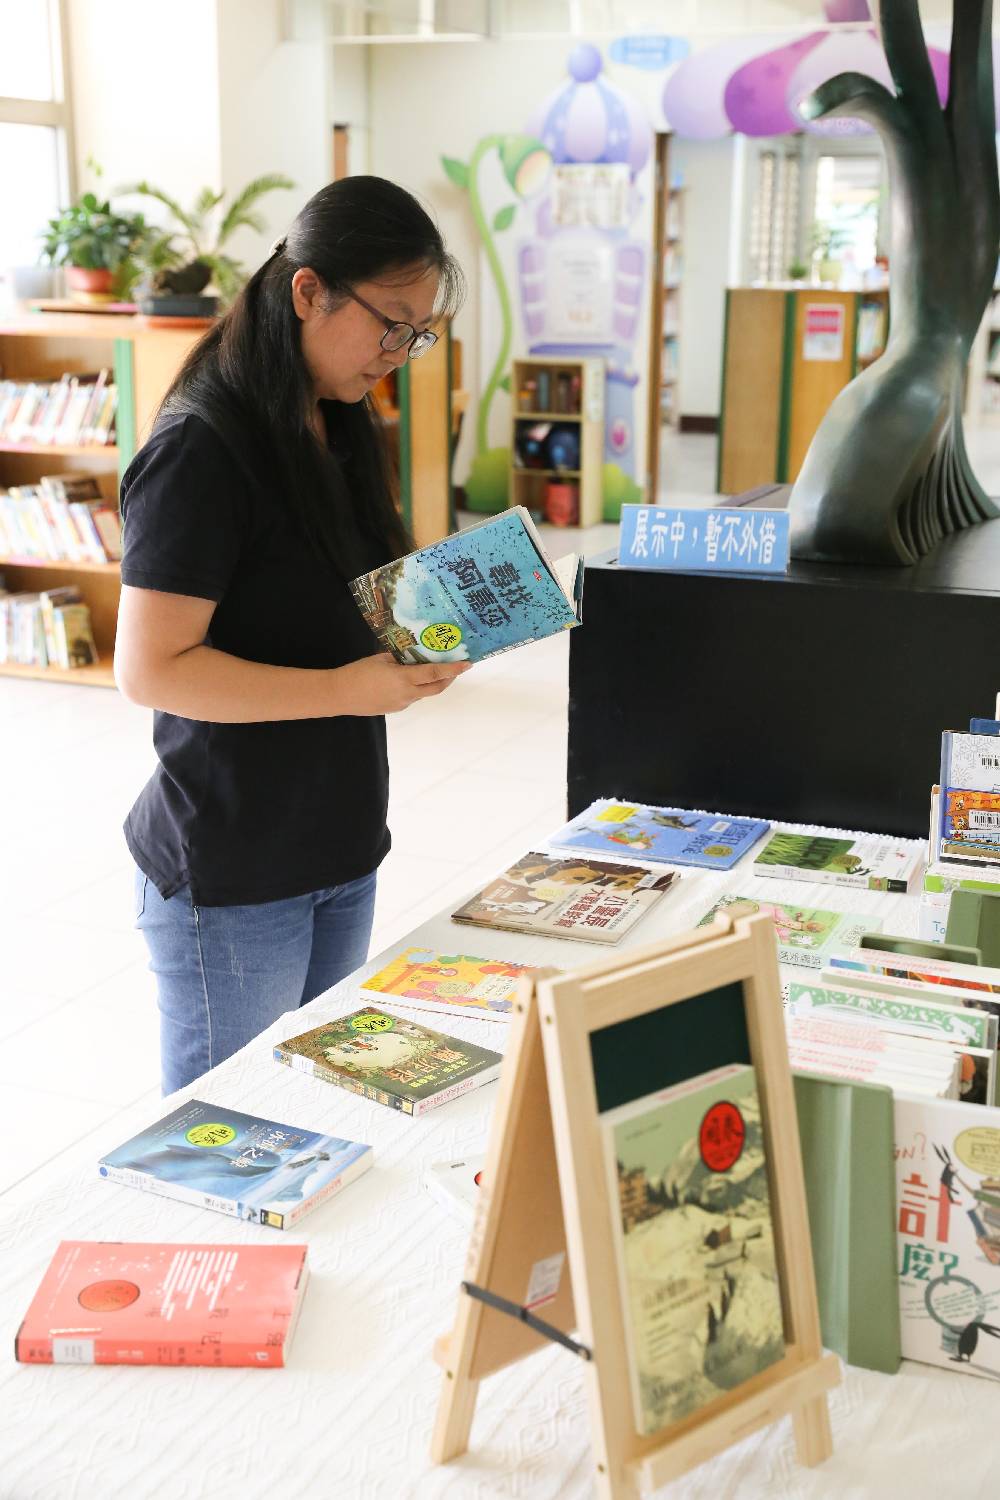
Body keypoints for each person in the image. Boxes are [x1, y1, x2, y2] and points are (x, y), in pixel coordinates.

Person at [115, 176, 468, 1096]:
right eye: (391, 323)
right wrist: (350, 690)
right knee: (226, 1129)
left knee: (318, 1112)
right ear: (308, 291)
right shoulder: (203, 447)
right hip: (235, 867)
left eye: (418, 333)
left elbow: (342, 601)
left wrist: (434, 632)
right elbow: (151, 669)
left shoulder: (342, 422)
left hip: (341, 840)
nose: (400, 352)